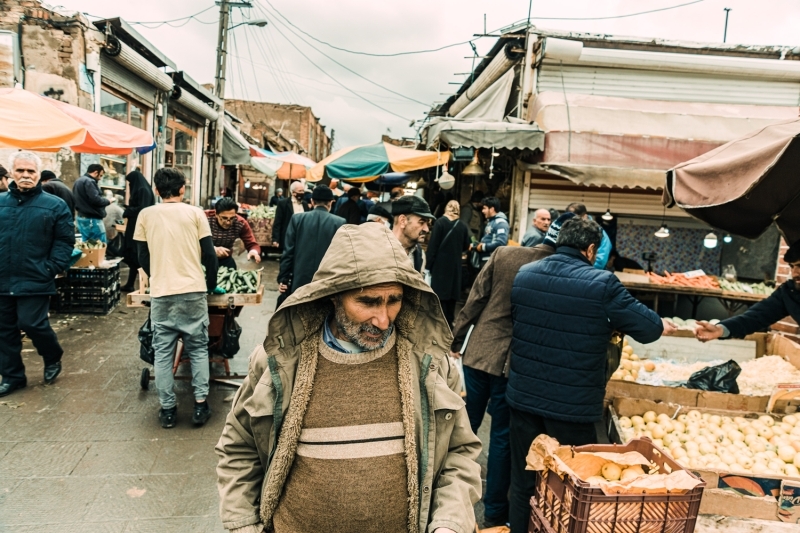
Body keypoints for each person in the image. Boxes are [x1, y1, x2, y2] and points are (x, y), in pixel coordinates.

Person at [215, 223, 482, 533]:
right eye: (367, 302)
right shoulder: (281, 360)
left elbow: (460, 454)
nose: (383, 320)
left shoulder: (430, 364)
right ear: (332, 296)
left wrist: (449, 523)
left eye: (393, 301)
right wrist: (243, 525)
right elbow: (238, 447)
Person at [506, 217, 675, 532]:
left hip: (523, 400)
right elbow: (650, 328)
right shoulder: (602, 283)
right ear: (591, 249)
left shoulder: (525, 276)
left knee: (524, 483)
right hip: (571, 408)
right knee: (573, 490)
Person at [448, 213, 573, 527]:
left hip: (480, 354)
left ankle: (446, 500)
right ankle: (493, 514)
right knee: (502, 437)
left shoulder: (504, 254)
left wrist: (456, 340)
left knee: (461, 427)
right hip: (515, 364)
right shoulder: (559, 272)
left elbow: (475, 300)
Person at [134, 167, 219, 428]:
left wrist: (157, 276)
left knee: (163, 354)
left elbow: (142, 256)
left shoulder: (145, 215)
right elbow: (210, 255)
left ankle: (168, 410)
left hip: (162, 294)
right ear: (183, 189)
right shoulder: (195, 213)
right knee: (197, 350)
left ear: (157, 191)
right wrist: (210, 284)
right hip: (193, 291)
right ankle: (201, 406)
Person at [0, 151, 74, 397]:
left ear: (39, 175)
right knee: (4, 330)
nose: (25, 175)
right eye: (20, 171)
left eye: (31, 171)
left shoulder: (54, 205)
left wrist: (52, 267)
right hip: (3, 278)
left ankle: (52, 355)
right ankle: (12, 377)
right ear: (12, 173)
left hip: (35, 277)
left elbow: (65, 241)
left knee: (31, 323)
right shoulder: (1, 203)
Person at [695, 241, 800, 343]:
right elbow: (756, 316)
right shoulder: (790, 292)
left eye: (799, 266)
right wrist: (721, 329)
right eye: (792, 266)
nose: (795, 273)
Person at [277, 185, 345, 306]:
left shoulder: (297, 219)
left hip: (299, 283)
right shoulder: (340, 222)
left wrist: (283, 279)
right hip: (326, 285)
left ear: (312, 201)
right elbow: (341, 257)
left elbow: (288, 253)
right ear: (331, 202)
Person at [426, 200, 470, 326]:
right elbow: (465, 245)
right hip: (455, 267)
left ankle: (437, 324)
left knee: (439, 297)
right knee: (451, 298)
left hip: (440, 266)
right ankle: (449, 324)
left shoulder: (440, 223)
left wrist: (428, 266)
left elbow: (433, 247)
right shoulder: (462, 226)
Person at [120, 170, 155, 292]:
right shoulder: (143, 189)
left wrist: (129, 210)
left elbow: (142, 209)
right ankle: (132, 283)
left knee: (136, 255)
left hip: (138, 227)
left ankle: (142, 283)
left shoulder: (142, 190)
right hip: (135, 225)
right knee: (135, 256)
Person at [205, 197, 261, 270]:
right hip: (203, 258)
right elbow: (190, 240)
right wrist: (211, 249)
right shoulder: (204, 218)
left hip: (225, 260)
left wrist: (253, 252)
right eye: (224, 218)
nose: (228, 222)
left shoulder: (240, 223)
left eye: (232, 218)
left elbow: (252, 243)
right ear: (216, 214)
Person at [392, 195, 433, 274]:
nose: (426, 229)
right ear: (403, 221)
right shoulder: (380, 248)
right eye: (421, 222)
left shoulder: (420, 255)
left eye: (427, 223)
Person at [566, 202, 612, 270]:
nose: (573, 222)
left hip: (590, 274)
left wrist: (586, 271)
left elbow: (601, 259)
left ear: (585, 216)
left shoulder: (598, 231)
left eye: (576, 219)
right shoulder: (567, 229)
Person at [73, 163, 110, 243]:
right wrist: (108, 201)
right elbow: (95, 199)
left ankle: (88, 256)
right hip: (92, 219)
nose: (100, 178)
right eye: (100, 175)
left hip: (81, 216)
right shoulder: (89, 181)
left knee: (86, 244)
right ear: (96, 172)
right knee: (100, 243)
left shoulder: (79, 181)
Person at [271, 181, 309, 249]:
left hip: (302, 237)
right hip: (288, 236)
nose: (302, 193)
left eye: (303, 191)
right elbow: (278, 222)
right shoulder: (283, 203)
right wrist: (275, 239)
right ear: (293, 192)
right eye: (300, 191)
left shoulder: (305, 204)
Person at [471, 196, 508, 265]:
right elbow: (488, 239)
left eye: (484, 208)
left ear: (492, 209)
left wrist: (483, 247)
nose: (482, 211)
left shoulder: (500, 223)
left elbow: (501, 243)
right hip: (486, 260)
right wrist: (476, 245)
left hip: (491, 261)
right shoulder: (491, 222)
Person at [103, 193, 125, 258]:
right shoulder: (117, 208)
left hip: (101, 231)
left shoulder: (103, 207)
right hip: (110, 233)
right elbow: (123, 219)